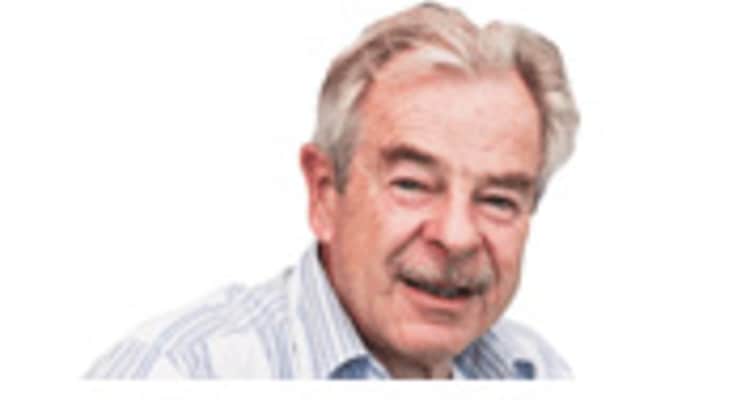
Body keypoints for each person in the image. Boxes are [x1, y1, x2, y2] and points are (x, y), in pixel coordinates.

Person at [86, 2, 579, 380]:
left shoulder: (534, 371)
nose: (456, 237)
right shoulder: (180, 372)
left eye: (498, 200)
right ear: (323, 193)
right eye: (412, 185)